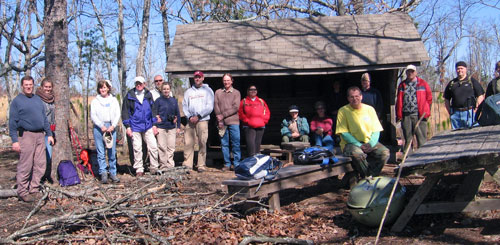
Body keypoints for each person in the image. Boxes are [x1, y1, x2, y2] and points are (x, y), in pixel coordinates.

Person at [9, 75, 54, 202]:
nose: (28, 87)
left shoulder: (37, 100)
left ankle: (34, 188)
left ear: (33, 85)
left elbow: (44, 119)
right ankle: (22, 191)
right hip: (26, 135)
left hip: (40, 135)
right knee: (26, 164)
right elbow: (12, 122)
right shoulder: (17, 101)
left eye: (30, 84)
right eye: (26, 85)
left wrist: (49, 134)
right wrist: (14, 141)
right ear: (22, 86)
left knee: (40, 164)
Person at [336, 86, 390, 178]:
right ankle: (369, 178)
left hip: (369, 142)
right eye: (352, 97)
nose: (355, 99)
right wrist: (359, 145)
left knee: (385, 153)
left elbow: (376, 130)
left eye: (357, 96)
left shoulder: (370, 109)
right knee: (359, 155)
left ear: (361, 96)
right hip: (350, 144)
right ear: (348, 98)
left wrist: (371, 144)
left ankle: (371, 176)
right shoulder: (343, 111)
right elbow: (344, 133)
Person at [122, 76, 160, 176]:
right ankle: (139, 169)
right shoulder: (130, 95)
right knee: (137, 148)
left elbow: (153, 110)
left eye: (141, 83)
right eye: (137, 83)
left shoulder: (148, 94)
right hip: (135, 126)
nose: (139, 85)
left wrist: (154, 124)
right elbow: (125, 112)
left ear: (144, 84)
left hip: (148, 125)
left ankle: (154, 167)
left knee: (153, 146)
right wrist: (128, 127)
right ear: (135, 84)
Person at [182, 71, 214, 172]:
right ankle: (188, 164)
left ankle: (201, 164)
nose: (197, 79)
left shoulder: (208, 91)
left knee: (202, 142)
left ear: (203, 78)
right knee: (188, 142)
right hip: (190, 120)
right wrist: (190, 116)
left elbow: (210, 106)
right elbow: (184, 105)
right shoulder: (188, 92)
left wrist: (199, 116)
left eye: (199, 77)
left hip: (202, 120)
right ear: (193, 78)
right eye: (196, 77)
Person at [91, 80, 121, 183]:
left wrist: (113, 125)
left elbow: (117, 114)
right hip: (99, 128)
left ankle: (113, 173)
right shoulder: (95, 101)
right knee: (101, 152)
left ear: (108, 88)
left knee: (112, 151)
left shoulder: (113, 100)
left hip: (110, 127)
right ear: (99, 89)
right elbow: (93, 115)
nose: (103, 89)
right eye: (101, 88)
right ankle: (103, 173)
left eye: (105, 87)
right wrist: (101, 125)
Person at [396, 65, 432, 150]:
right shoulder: (402, 85)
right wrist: (399, 115)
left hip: (419, 115)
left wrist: (426, 111)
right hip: (406, 115)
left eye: (412, 71)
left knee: (421, 139)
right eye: (408, 71)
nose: (410, 73)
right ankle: (408, 159)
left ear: (415, 72)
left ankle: (422, 159)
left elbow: (429, 98)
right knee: (408, 139)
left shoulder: (423, 83)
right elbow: (399, 100)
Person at [444, 61, 485, 129]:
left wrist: (476, 109)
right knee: (455, 137)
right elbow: (446, 99)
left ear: (466, 69)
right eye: (458, 69)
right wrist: (450, 112)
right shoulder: (452, 83)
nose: (459, 70)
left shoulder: (472, 81)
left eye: (461, 68)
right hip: (455, 114)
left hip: (469, 113)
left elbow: (481, 95)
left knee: (471, 135)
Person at [214, 73, 241, 171]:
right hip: (221, 123)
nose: (226, 82)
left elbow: (236, 107)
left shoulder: (236, 93)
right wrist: (219, 118)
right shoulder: (218, 92)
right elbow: (216, 105)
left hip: (233, 122)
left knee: (236, 143)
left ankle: (237, 164)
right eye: (225, 80)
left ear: (232, 81)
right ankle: (227, 164)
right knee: (224, 144)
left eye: (228, 80)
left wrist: (223, 115)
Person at [152, 82, 181, 171]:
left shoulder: (173, 101)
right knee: (162, 146)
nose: (166, 91)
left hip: (172, 127)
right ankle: (163, 165)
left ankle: (170, 164)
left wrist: (178, 126)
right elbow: (154, 114)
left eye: (167, 89)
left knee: (171, 147)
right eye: (164, 89)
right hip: (161, 127)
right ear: (161, 90)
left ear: (170, 90)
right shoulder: (158, 101)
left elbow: (178, 114)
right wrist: (155, 124)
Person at [238, 85, 270, 156]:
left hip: (260, 126)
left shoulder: (261, 101)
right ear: (247, 91)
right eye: (251, 90)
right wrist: (247, 121)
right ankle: (252, 161)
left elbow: (267, 112)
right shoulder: (244, 101)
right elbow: (240, 113)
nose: (253, 91)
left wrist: (264, 121)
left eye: (254, 90)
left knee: (257, 145)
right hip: (249, 126)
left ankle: (257, 162)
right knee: (251, 146)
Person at [35, 78, 55, 179]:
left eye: (49, 87)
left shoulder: (52, 99)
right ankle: (39, 177)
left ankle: (46, 175)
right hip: (41, 130)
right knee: (40, 155)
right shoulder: (37, 99)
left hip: (51, 131)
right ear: (42, 87)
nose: (48, 89)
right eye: (46, 87)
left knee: (49, 155)